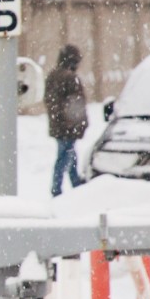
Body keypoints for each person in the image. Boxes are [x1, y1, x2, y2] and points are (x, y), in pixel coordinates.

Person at [45, 43, 89, 196]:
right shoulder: (70, 78)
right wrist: (80, 123)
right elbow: (76, 104)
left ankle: (75, 181)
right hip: (68, 125)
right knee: (65, 156)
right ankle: (57, 188)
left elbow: (50, 101)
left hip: (58, 124)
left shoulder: (53, 76)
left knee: (68, 154)